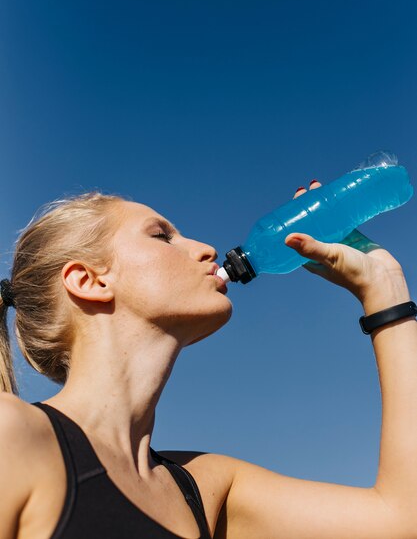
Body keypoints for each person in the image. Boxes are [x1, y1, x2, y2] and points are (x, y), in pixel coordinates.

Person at [0, 181, 416, 539]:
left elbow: (402, 519)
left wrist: (384, 288)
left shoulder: (206, 488)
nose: (206, 249)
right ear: (90, 281)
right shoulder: (12, 435)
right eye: (161, 235)